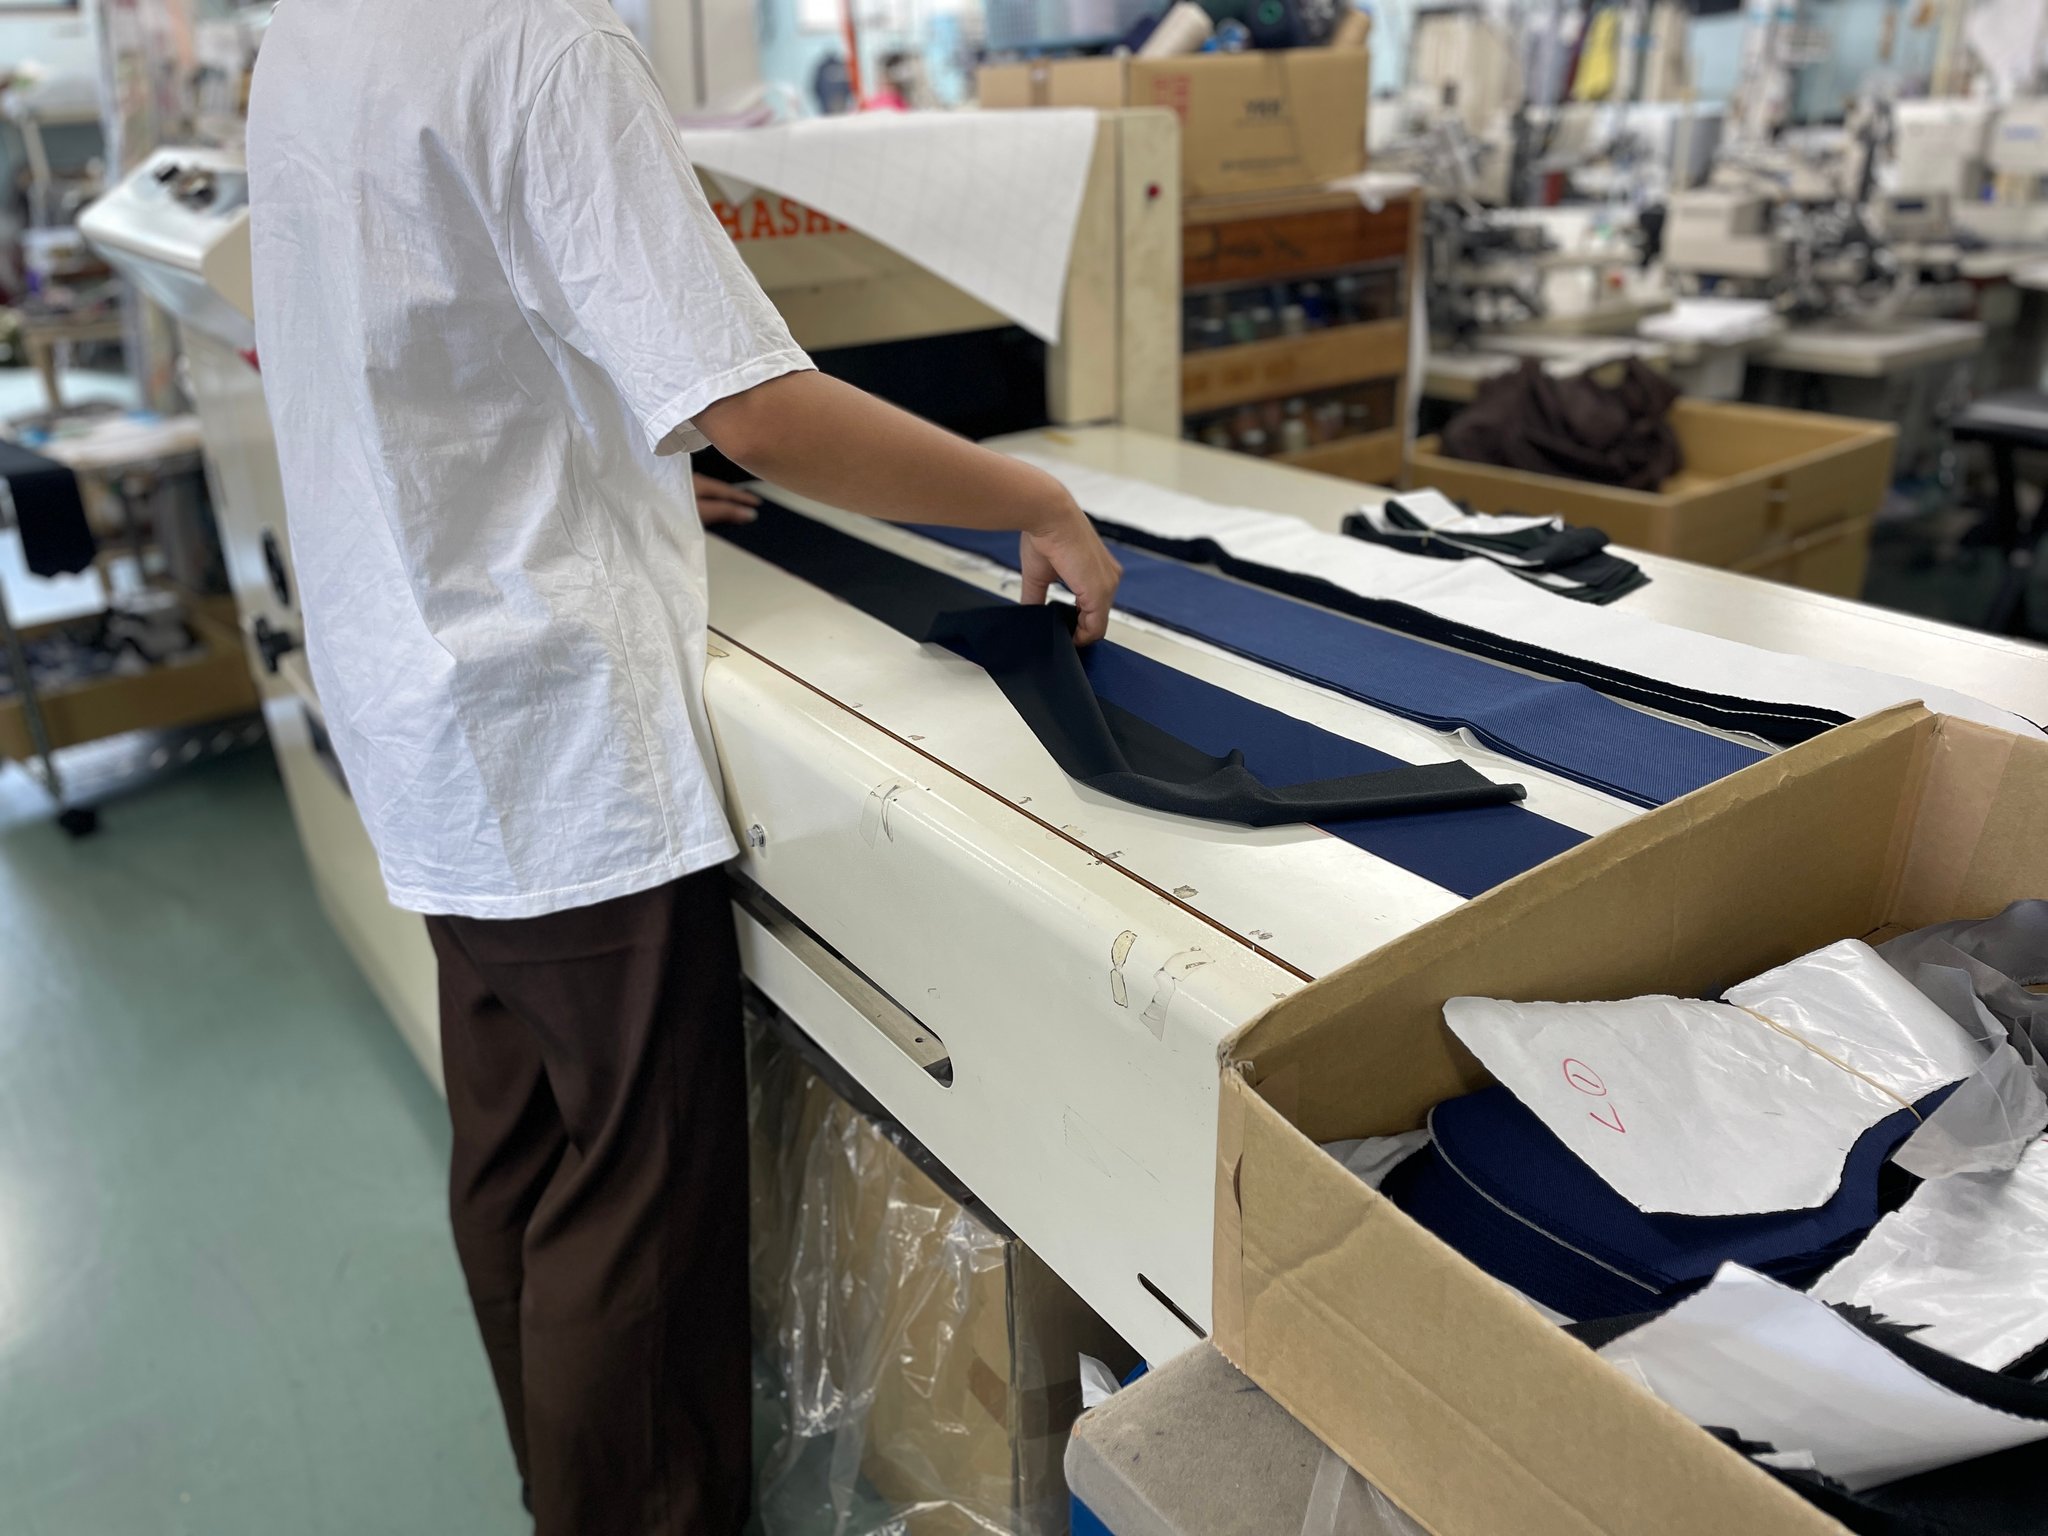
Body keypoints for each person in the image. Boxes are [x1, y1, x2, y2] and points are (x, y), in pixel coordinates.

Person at [243, 2, 1122, 1533]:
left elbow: (427, 333)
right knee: (633, 1206)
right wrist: (1024, 496)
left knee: (518, 1154)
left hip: (416, 691)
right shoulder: (548, 44)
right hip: (549, 733)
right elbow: (760, 410)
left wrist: (607, 463)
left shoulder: (318, 28)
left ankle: (559, 1490)